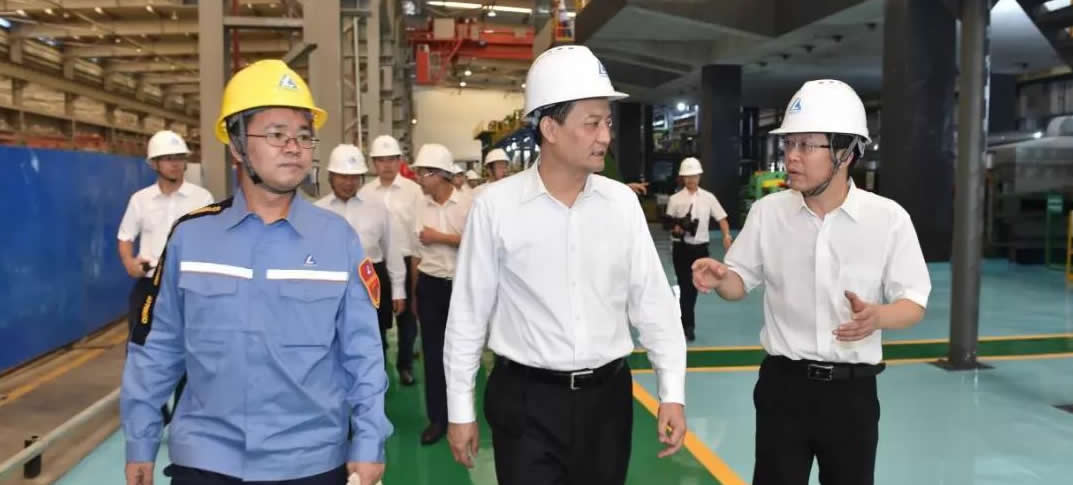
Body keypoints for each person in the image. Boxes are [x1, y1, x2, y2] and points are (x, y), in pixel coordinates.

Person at [120, 60, 391, 485]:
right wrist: (140, 440)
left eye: (304, 135)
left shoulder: (337, 240)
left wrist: (370, 441)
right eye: (276, 134)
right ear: (236, 144)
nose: (294, 147)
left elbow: (363, 352)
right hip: (207, 458)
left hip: (310, 459)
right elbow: (158, 347)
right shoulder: (191, 237)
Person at [444, 45, 687, 485]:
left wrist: (672, 392)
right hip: (526, 404)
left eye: (607, 122)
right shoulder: (496, 207)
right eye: (592, 123)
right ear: (550, 128)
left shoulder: (621, 205)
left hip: (607, 404)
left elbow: (653, 304)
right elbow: (468, 314)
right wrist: (460, 410)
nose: (605, 136)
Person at [692, 79, 930, 485]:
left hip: (851, 396)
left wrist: (878, 317)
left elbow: (914, 302)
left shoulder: (888, 219)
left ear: (845, 153)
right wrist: (720, 278)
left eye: (806, 145)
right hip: (782, 390)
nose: (791, 156)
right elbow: (738, 285)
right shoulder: (769, 213)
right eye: (789, 144)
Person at [117, 129, 213, 425]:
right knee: (141, 349)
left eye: (179, 158)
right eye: (168, 158)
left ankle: (183, 417)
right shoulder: (140, 200)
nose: (175, 164)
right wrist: (129, 263)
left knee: (191, 352)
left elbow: (214, 239)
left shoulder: (202, 198)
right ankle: (156, 413)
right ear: (154, 164)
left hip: (189, 287)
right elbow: (125, 236)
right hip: (150, 287)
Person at [316, 144, 406, 357]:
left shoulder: (378, 208)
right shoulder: (318, 211)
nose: (349, 183)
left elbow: (392, 250)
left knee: (374, 340)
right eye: (343, 177)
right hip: (332, 282)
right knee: (332, 341)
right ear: (331, 176)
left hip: (370, 279)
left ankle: (374, 378)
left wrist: (398, 290)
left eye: (354, 177)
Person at [409, 143, 473, 445]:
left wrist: (440, 237)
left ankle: (464, 415)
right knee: (433, 355)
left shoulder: (468, 204)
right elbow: (416, 253)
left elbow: (478, 244)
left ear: (440, 174)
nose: (419, 178)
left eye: (423, 173)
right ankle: (438, 419)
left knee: (461, 354)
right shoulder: (420, 206)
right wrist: (414, 294)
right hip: (430, 285)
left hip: (461, 287)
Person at [359, 135, 424, 386]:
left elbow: (419, 230)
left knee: (407, 319)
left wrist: (418, 266)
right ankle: (380, 368)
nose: (386, 165)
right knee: (377, 319)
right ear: (373, 163)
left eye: (391, 159)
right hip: (375, 265)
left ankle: (405, 365)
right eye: (381, 160)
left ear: (399, 161)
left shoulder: (413, 191)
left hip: (407, 261)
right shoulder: (364, 193)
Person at [664, 156, 731, 342]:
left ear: (699, 176)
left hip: (700, 251)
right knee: (686, 286)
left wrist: (726, 236)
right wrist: (676, 228)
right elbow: (668, 222)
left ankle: (686, 323)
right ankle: (687, 326)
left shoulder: (709, 198)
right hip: (681, 249)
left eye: (694, 176)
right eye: (687, 176)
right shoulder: (675, 200)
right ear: (682, 178)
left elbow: (722, 219)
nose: (691, 180)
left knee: (692, 288)